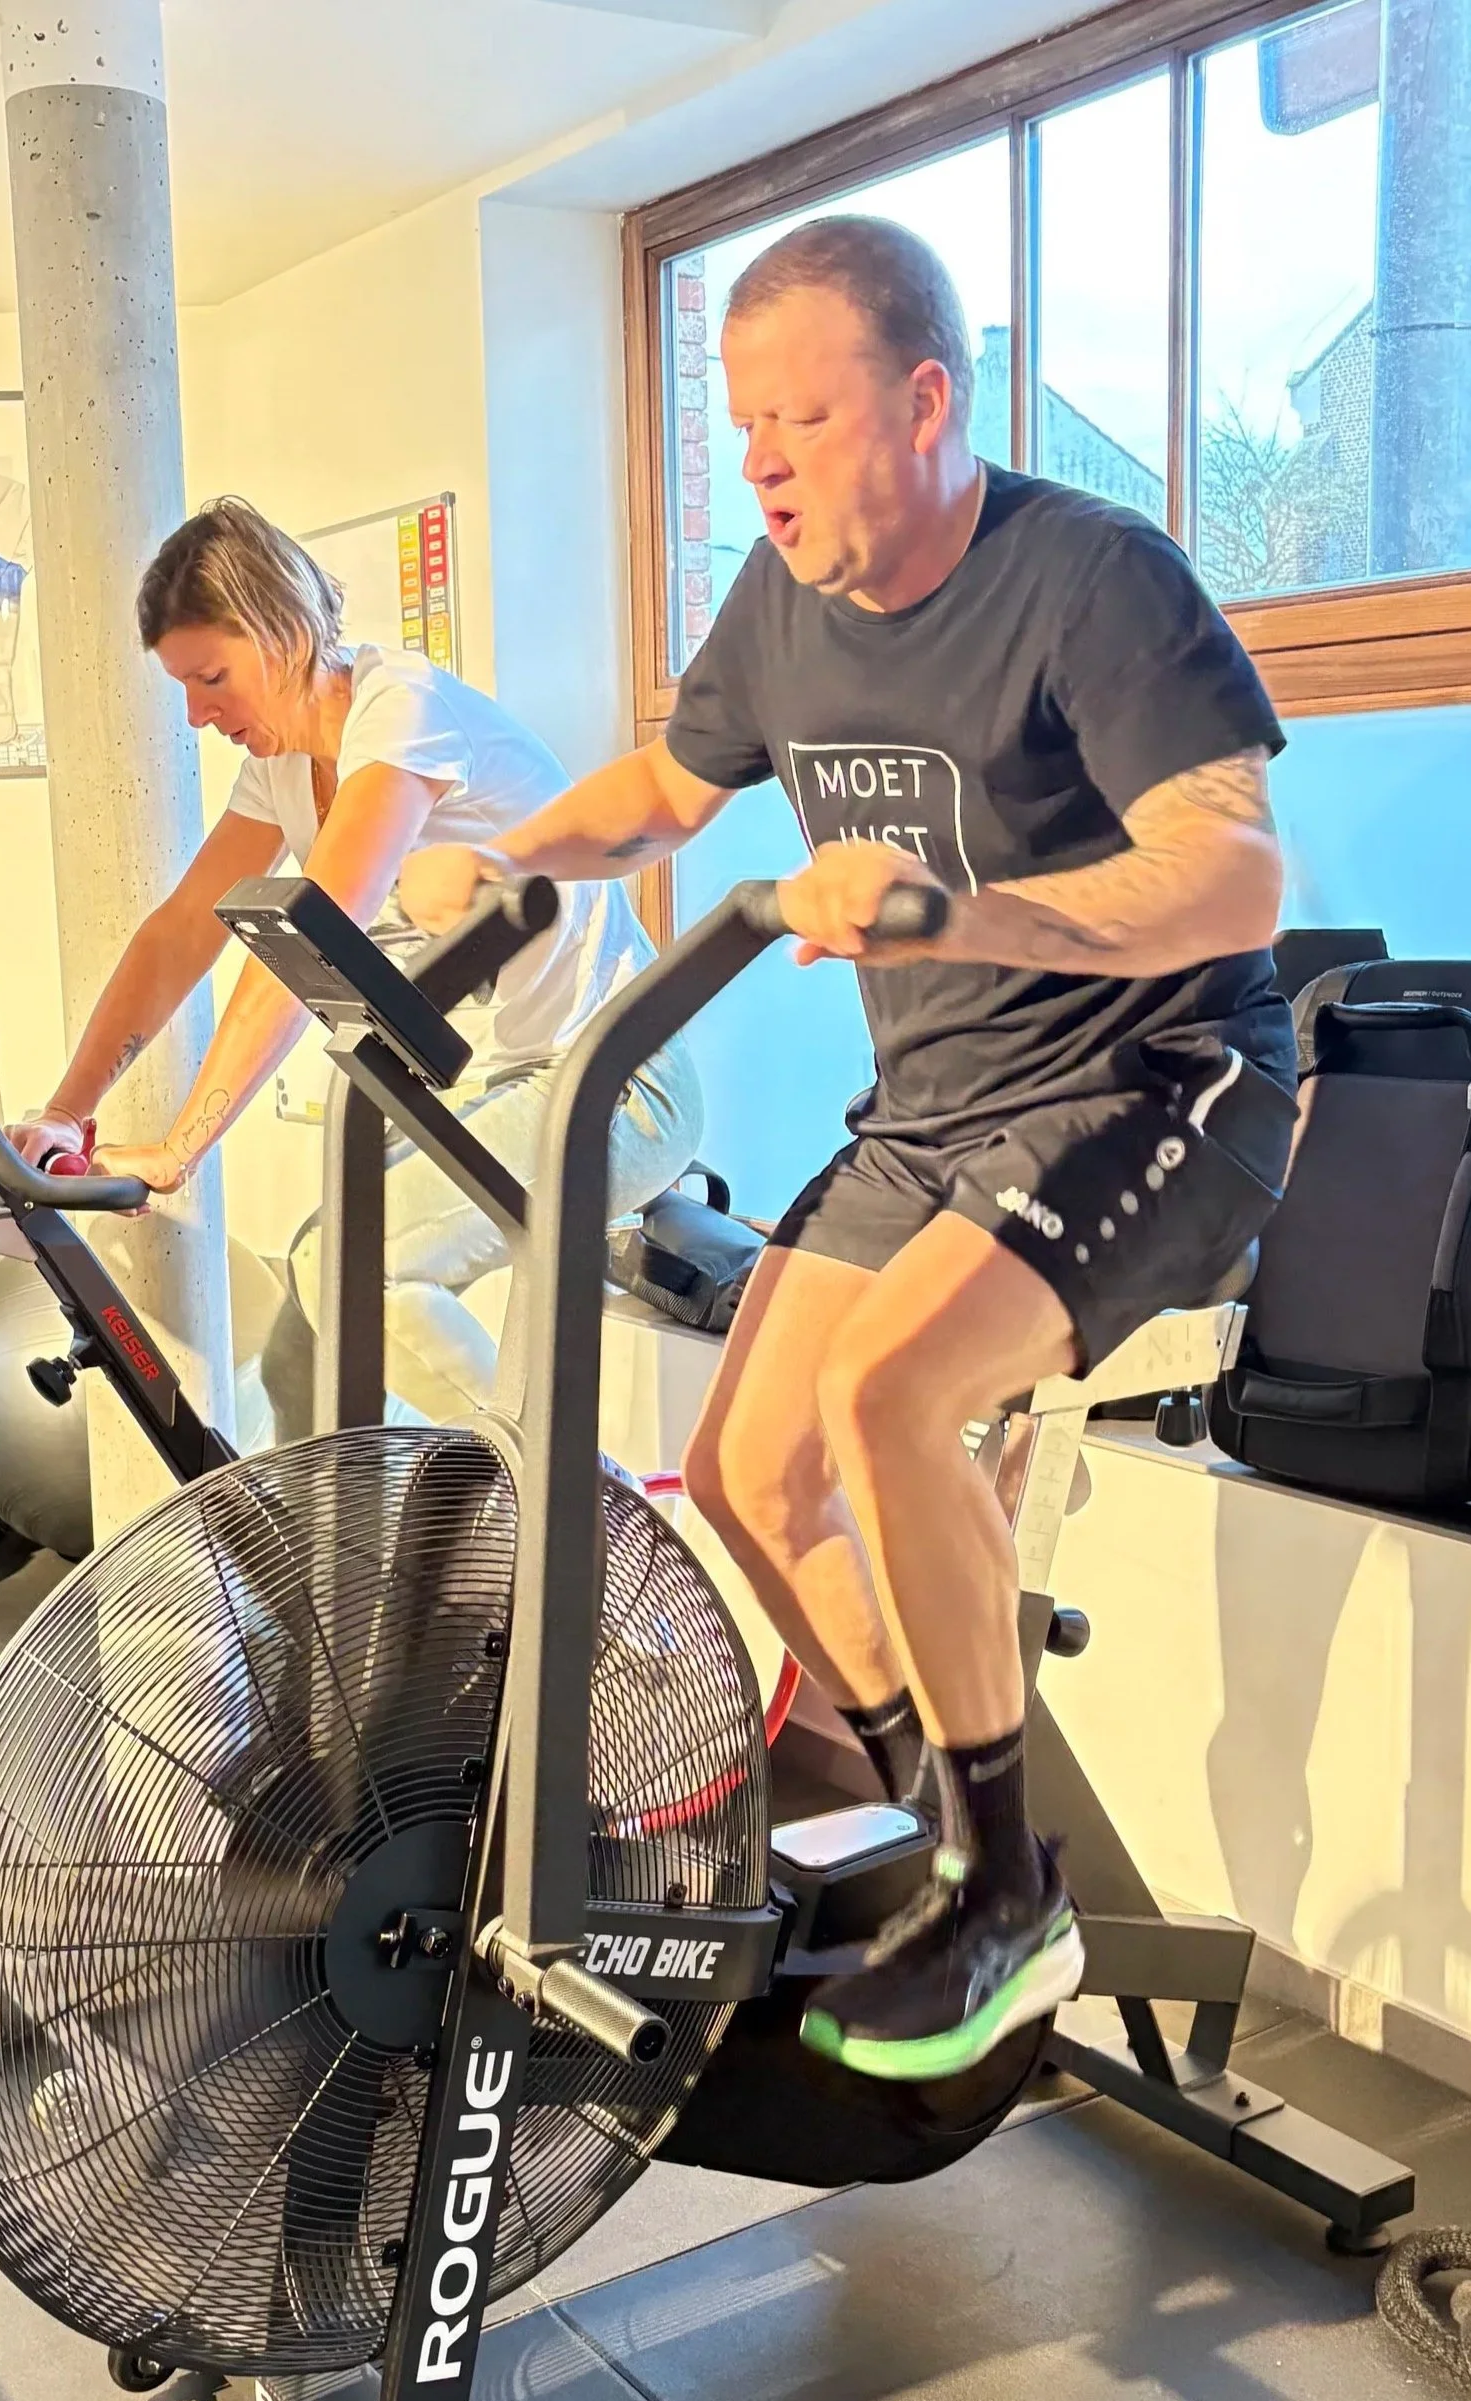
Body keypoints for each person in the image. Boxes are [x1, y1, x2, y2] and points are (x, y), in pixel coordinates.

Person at [398, 216, 1295, 2083]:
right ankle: (930, 1819)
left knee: (889, 1397)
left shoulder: (1086, 579)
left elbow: (1234, 874)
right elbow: (663, 787)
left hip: (1154, 1080)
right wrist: (509, 861)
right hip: (934, 1110)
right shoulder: (777, 602)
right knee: (742, 1469)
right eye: (741, 425)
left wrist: (951, 913)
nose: (762, 460)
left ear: (924, 400)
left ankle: (1002, 1894)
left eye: (799, 415)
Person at [12, 497, 702, 1426]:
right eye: (182, 687)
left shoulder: (400, 713)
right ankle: (337, 1562)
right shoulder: (282, 766)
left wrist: (184, 1147)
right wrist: (67, 1110)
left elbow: (313, 938)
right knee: (304, 1346)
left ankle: (571, 1515)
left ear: (283, 631)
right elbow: (183, 930)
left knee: (356, 1278)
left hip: (612, 1077)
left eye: (211, 677)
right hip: (477, 1086)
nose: (196, 713)